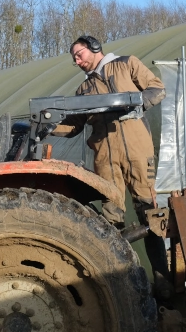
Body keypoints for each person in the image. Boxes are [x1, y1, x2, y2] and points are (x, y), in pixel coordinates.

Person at [52, 35, 170, 281]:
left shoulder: (127, 64)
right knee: (110, 217)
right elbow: (74, 125)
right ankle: (119, 281)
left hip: (138, 150)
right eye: (73, 57)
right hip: (105, 156)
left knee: (149, 212)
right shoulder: (83, 89)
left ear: (94, 48)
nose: (76, 60)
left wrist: (136, 103)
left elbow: (157, 88)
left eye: (79, 54)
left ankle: (163, 280)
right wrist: (48, 125)